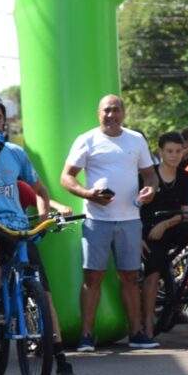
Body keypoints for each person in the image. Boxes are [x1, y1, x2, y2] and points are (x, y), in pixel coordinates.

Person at [0, 94, 78, 375]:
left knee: (43, 292)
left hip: (18, 227)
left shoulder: (18, 153)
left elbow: (41, 191)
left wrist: (42, 218)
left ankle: (61, 359)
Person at [62, 94, 158, 351]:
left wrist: (150, 190)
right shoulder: (87, 140)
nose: (111, 115)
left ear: (123, 114)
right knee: (93, 277)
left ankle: (136, 334)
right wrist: (88, 194)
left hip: (130, 220)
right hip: (97, 220)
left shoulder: (136, 140)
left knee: (129, 276)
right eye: (106, 110)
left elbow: (150, 176)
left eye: (116, 110)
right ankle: (86, 336)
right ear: (98, 113)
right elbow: (66, 177)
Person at [139, 132, 188, 337]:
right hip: (150, 230)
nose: (174, 155)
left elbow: (186, 212)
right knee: (153, 273)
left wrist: (166, 224)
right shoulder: (148, 176)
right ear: (161, 152)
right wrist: (139, 236)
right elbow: (134, 209)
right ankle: (148, 327)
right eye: (169, 151)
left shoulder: (185, 177)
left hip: (173, 225)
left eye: (178, 151)